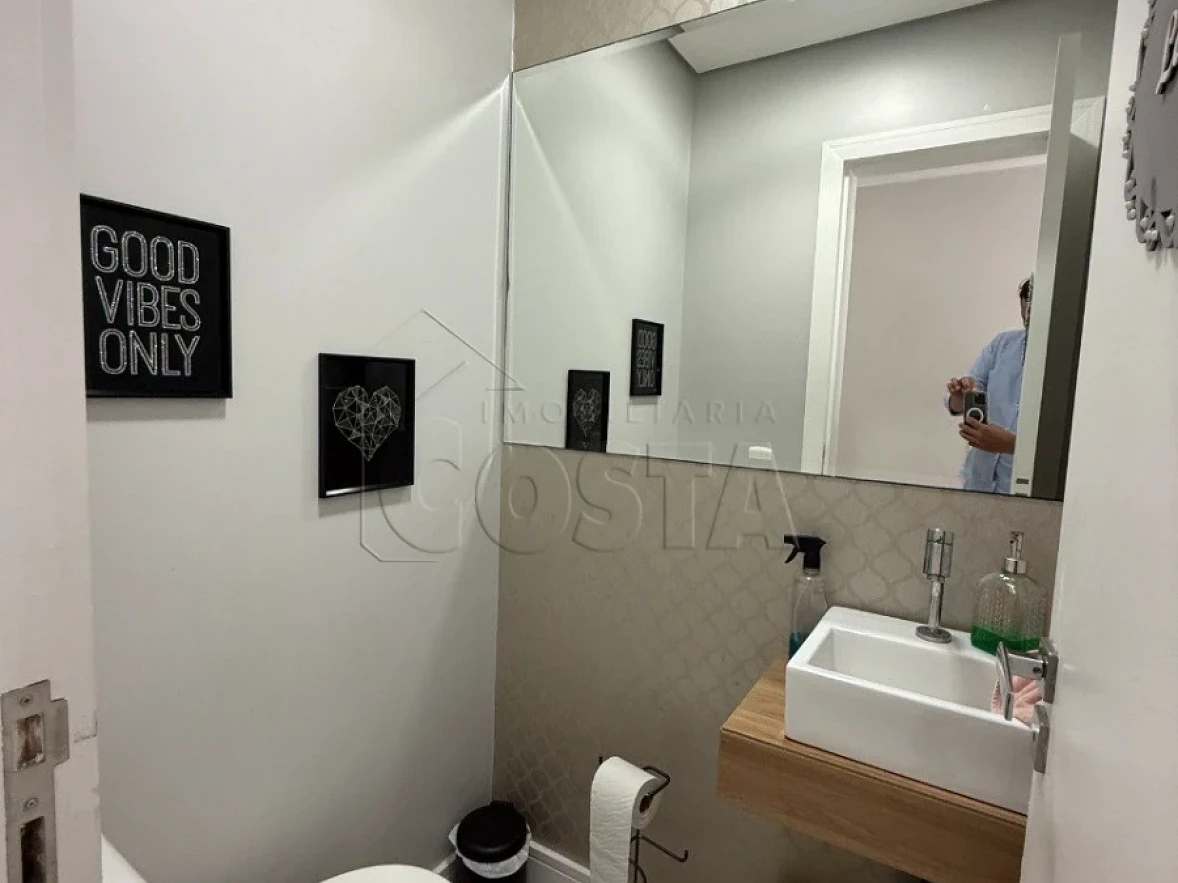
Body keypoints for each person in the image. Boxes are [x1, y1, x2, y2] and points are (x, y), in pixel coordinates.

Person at [945, 276, 1033, 494]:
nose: (1029, 324)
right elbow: (969, 392)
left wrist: (1014, 446)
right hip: (979, 481)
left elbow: (1072, 448)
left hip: (1027, 490)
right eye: (1025, 318)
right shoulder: (1002, 344)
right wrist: (960, 397)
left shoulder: (1076, 364)